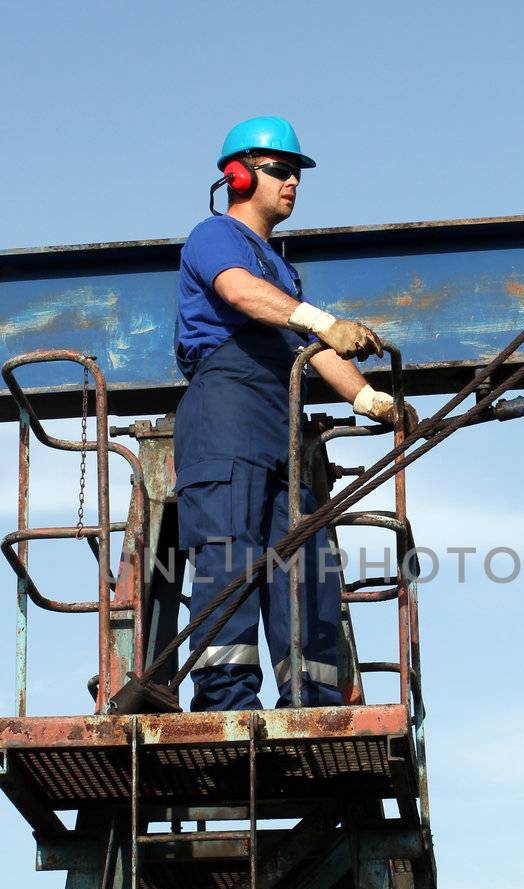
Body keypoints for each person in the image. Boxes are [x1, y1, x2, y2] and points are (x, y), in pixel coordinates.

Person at [174, 115, 414, 712]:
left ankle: (312, 696)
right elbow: (237, 293)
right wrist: (320, 320)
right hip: (226, 410)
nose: (293, 183)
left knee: (304, 559)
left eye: (296, 173)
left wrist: (370, 399)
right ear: (236, 174)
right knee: (229, 550)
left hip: (279, 423)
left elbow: (312, 351)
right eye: (280, 170)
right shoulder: (214, 236)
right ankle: (227, 701)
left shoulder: (281, 271)